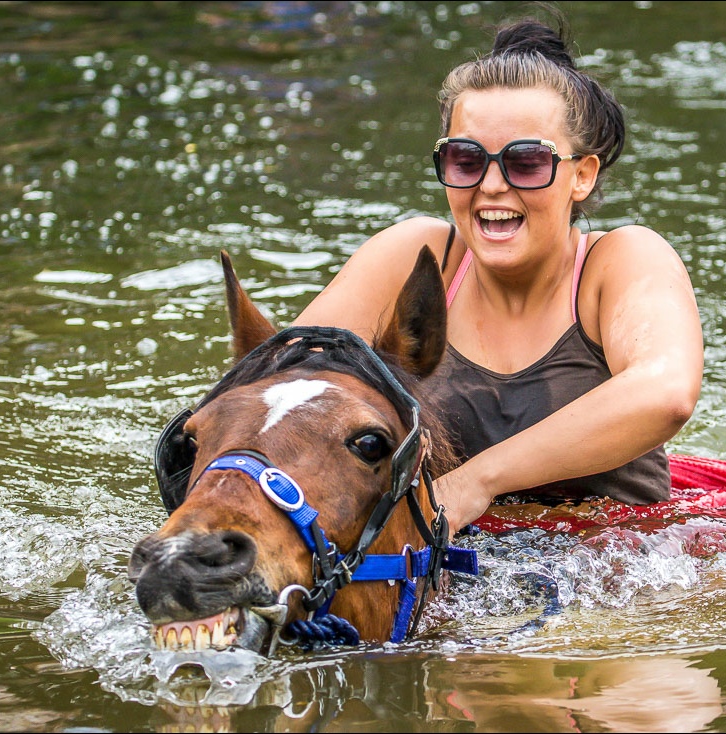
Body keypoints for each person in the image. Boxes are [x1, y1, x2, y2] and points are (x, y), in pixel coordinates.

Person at [292, 8, 704, 535]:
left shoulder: (619, 262)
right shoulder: (417, 260)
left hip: (618, 573)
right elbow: (281, 382)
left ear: (581, 175)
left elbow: (666, 393)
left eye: (526, 162)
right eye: (466, 160)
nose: (490, 186)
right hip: (459, 568)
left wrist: (476, 481)